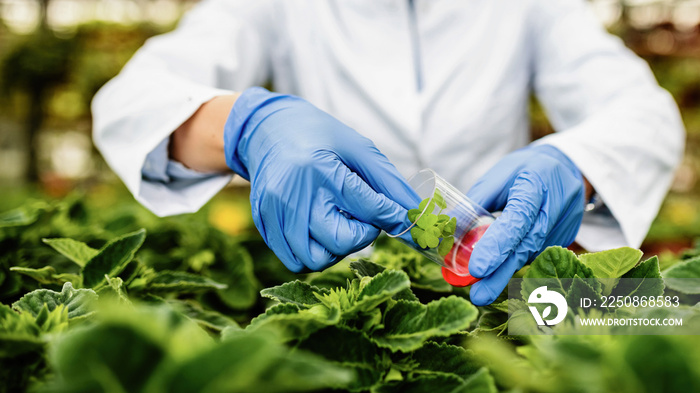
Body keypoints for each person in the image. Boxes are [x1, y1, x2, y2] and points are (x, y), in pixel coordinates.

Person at [92, 0, 684, 306]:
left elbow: (644, 113)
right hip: (345, 293)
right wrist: (247, 127)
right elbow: (130, 103)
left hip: (507, 278)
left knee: (666, 312)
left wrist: (573, 167)